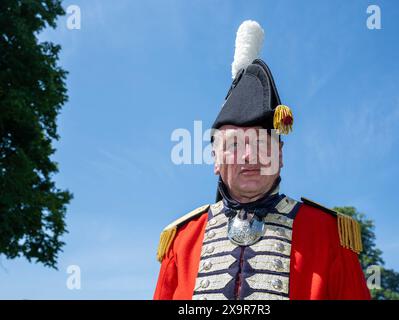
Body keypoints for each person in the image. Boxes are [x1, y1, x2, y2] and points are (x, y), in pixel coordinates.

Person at [153, 20, 370, 300]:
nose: (248, 156)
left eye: (261, 143)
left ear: (280, 156)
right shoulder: (181, 241)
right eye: (233, 144)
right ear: (215, 160)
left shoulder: (330, 236)